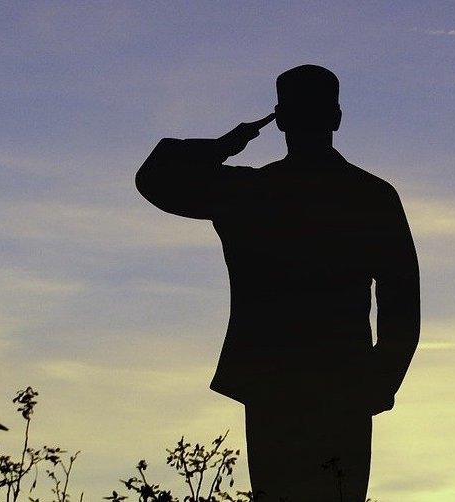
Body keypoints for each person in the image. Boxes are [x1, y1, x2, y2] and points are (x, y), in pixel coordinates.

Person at [135, 64, 419, 502]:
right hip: (341, 385)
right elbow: (402, 306)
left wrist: (224, 145)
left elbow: (155, 176)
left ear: (280, 119)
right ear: (336, 118)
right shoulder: (370, 195)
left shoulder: (250, 192)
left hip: (276, 385)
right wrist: (377, 384)